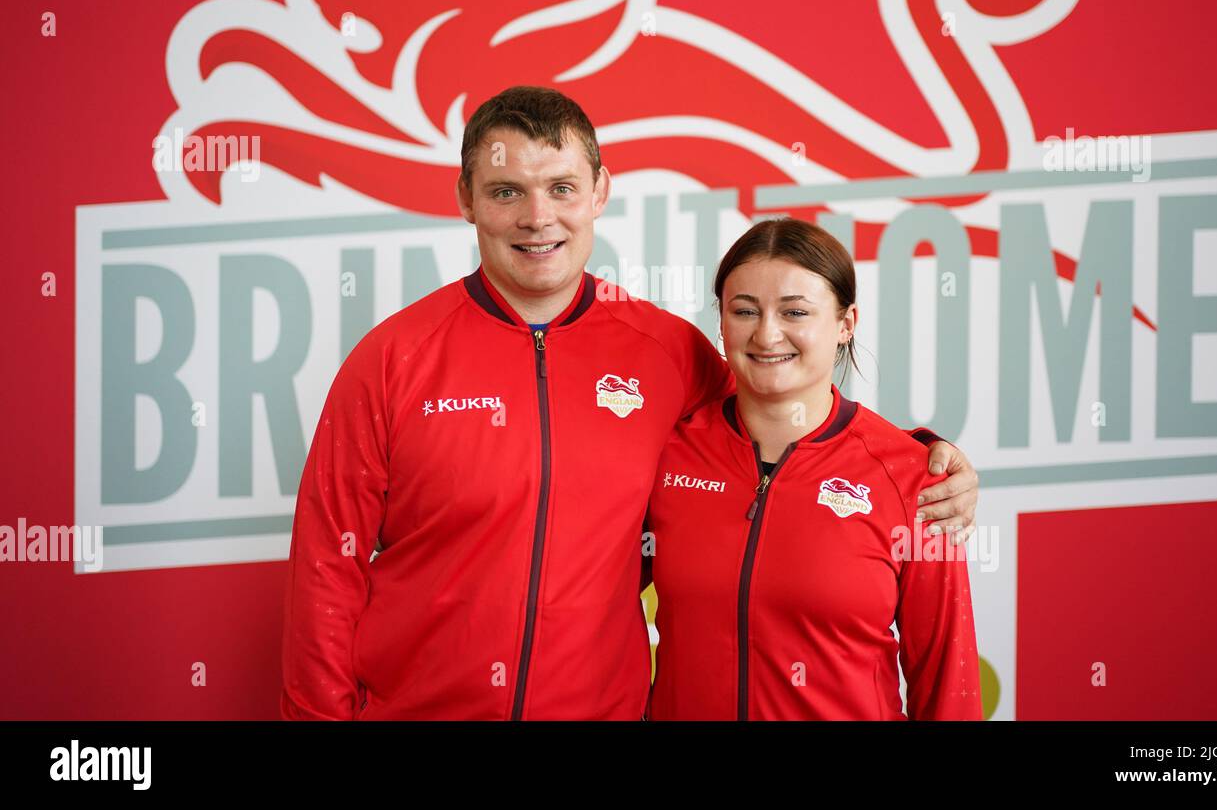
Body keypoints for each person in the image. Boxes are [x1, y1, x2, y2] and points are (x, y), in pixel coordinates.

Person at [280, 86, 980, 720]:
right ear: (466, 198)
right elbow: (325, 571)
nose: (537, 217)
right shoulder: (393, 359)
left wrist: (923, 458)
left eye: (561, 187)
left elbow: (787, 413)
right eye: (505, 192)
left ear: (599, 191)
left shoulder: (667, 353)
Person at [646, 218, 981, 720]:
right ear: (721, 320)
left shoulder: (915, 478)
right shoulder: (669, 452)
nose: (766, 333)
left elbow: (947, 679)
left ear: (846, 323)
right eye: (744, 311)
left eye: (795, 311)